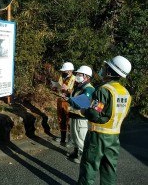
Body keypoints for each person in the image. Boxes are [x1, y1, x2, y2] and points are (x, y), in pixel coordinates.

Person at [77, 56, 132, 185]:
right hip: (114, 138)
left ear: (109, 71)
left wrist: (84, 110)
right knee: (109, 169)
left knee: (89, 167)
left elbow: (94, 114)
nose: (103, 69)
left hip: (97, 136)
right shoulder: (125, 93)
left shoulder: (104, 90)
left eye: (105, 67)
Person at [65, 66, 95, 164]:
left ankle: (82, 156)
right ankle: (76, 151)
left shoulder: (89, 89)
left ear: (86, 76)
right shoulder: (79, 86)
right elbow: (74, 98)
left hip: (81, 118)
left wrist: (69, 100)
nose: (77, 76)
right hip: (74, 115)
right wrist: (67, 96)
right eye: (77, 74)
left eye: (79, 74)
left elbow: (82, 103)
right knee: (74, 136)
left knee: (80, 137)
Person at [54, 62, 76, 145]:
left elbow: (76, 92)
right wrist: (55, 88)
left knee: (69, 120)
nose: (63, 72)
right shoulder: (61, 77)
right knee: (61, 119)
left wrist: (68, 90)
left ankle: (70, 139)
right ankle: (63, 138)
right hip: (60, 100)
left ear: (70, 71)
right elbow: (59, 87)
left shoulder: (75, 79)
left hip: (68, 102)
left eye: (65, 71)